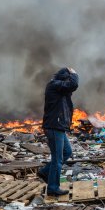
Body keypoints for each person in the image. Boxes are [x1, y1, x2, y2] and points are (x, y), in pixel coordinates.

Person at [37, 67, 78, 196]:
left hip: (58, 126)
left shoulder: (58, 88)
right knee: (57, 159)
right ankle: (53, 188)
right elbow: (73, 85)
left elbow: (69, 88)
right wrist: (74, 74)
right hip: (54, 126)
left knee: (67, 152)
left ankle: (45, 172)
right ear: (63, 78)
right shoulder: (54, 85)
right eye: (67, 79)